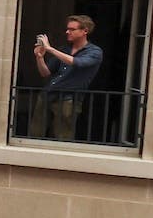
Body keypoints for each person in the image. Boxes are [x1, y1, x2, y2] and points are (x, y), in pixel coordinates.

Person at [31, 13, 104, 141]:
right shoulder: (64, 50)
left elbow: (76, 62)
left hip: (68, 98)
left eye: (72, 29)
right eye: (67, 29)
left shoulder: (94, 52)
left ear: (85, 31)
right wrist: (40, 57)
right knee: (35, 132)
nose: (67, 32)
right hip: (48, 94)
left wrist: (50, 49)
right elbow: (45, 72)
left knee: (62, 136)